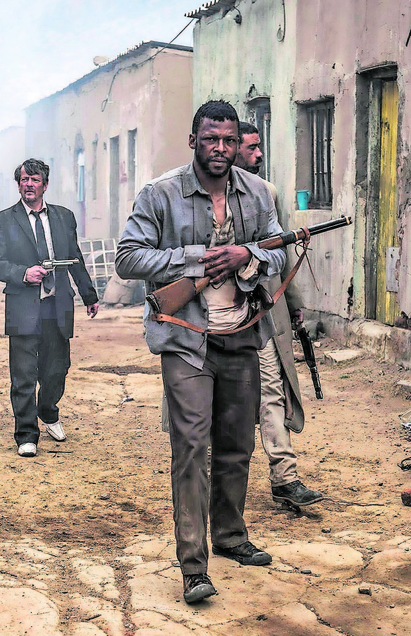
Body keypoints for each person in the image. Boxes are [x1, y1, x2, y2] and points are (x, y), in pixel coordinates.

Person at [116, 101, 286, 604]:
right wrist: (194, 259)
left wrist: (248, 254)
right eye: (211, 139)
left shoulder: (258, 194)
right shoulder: (161, 193)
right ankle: (194, 567)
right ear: (194, 140)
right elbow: (128, 257)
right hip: (185, 337)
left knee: (237, 445)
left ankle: (230, 536)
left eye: (229, 141)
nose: (221, 149)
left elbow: (279, 250)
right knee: (192, 447)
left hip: (242, 334)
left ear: (239, 144)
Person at [0, 158, 99, 458]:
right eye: (23, 180)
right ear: (18, 184)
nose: (28, 185)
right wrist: (24, 273)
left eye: (34, 180)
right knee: (23, 374)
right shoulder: (3, 220)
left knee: (57, 369)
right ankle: (26, 434)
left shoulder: (64, 217)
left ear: (45, 185)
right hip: (23, 305)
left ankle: (48, 412)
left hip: (57, 305)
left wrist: (89, 296)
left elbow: (75, 258)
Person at [235, 121, 323, 509]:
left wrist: (294, 301)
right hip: (217, 318)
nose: (258, 156)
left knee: (272, 389)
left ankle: (285, 478)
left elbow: (282, 249)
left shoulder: (265, 193)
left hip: (263, 310)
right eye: (251, 149)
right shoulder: (200, 196)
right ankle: (206, 478)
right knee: (219, 397)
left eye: (259, 148)